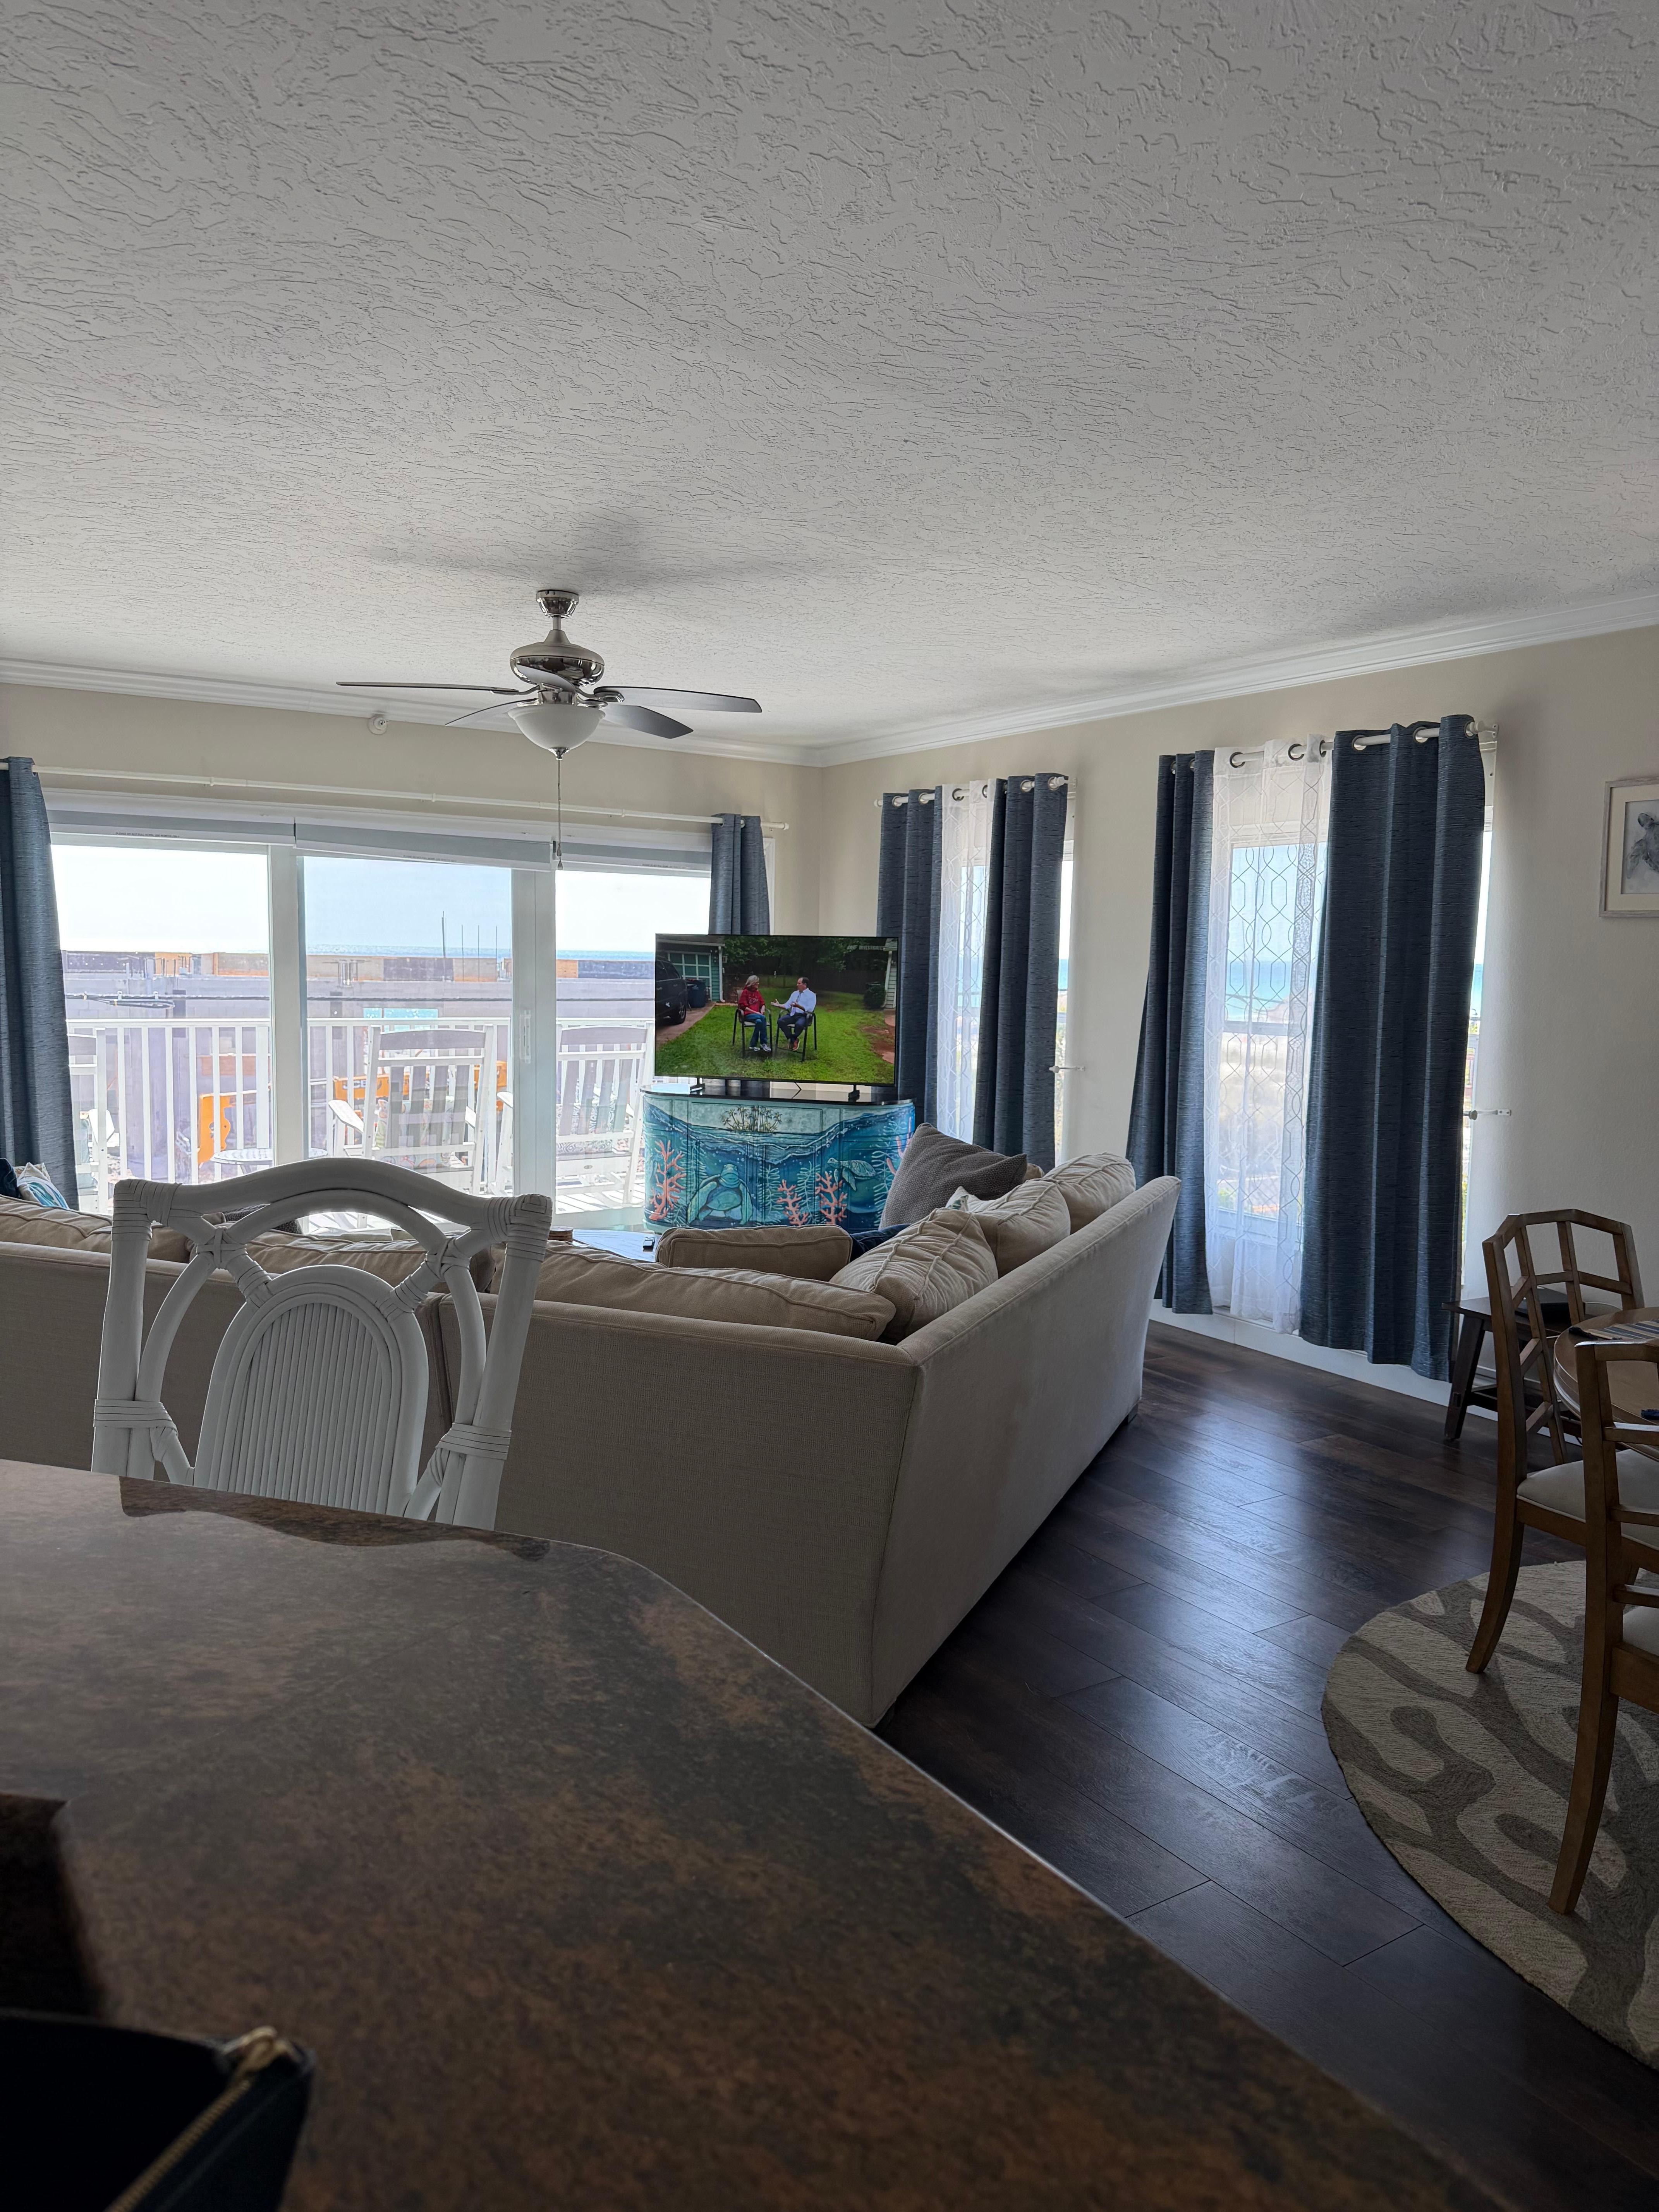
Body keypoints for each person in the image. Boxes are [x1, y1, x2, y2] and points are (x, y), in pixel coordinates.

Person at [776, 975, 817, 1047]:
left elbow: (810, 1010)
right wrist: (779, 1005)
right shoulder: (795, 994)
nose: (797, 985)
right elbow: (787, 1005)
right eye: (797, 983)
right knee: (780, 1021)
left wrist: (799, 1007)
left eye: (799, 983)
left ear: (805, 985)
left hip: (804, 1016)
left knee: (799, 1025)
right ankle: (793, 1039)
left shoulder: (811, 995)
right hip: (793, 1014)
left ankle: (793, 1040)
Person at [736, 974, 768, 1052]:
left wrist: (763, 1009)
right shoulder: (745, 992)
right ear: (753, 983)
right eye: (757, 982)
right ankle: (764, 1043)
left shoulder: (757, 993)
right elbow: (744, 1007)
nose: (758, 984)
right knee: (763, 1018)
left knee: (759, 1022)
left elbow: (763, 1003)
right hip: (747, 1015)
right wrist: (757, 1013)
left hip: (757, 1016)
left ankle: (753, 1045)